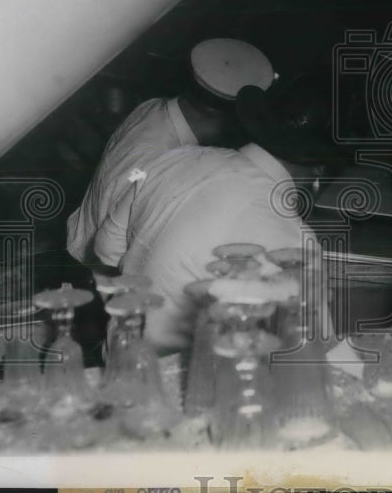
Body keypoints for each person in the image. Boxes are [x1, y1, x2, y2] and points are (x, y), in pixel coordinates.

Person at [108, 80, 343, 353]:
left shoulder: (172, 158)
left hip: (120, 355)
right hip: (190, 379)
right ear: (320, 169)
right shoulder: (292, 239)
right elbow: (314, 349)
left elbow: (107, 249)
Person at [66, 38, 275, 267]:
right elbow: (117, 251)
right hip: (95, 271)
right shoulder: (158, 161)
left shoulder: (153, 107)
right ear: (227, 117)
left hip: (85, 244)